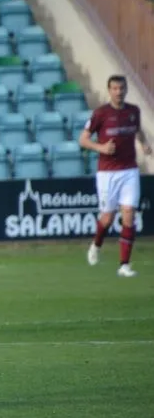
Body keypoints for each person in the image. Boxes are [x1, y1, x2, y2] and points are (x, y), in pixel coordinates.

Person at [80, 75, 152, 277]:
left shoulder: (133, 111)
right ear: (109, 90)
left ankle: (124, 265)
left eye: (122, 88)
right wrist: (101, 147)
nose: (119, 92)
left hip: (129, 170)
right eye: (115, 88)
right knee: (108, 218)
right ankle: (96, 245)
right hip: (107, 173)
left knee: (129, 214)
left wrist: (143, 144)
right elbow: (83, 139)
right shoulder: (101, 113)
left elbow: (138, 131)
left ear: (126, 89)